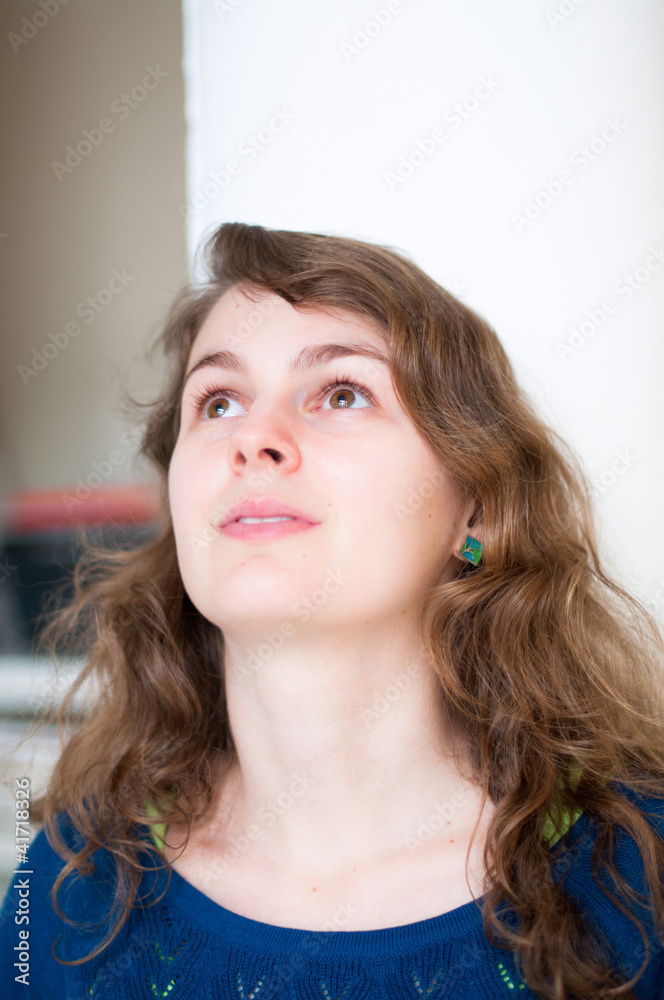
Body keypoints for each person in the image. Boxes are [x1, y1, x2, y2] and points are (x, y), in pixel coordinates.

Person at [2, 222, 664, 999]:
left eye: (342, 393)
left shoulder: (640, 876)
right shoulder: (65, 889)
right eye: (218, 402)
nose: (254, 438)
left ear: (477, 510)